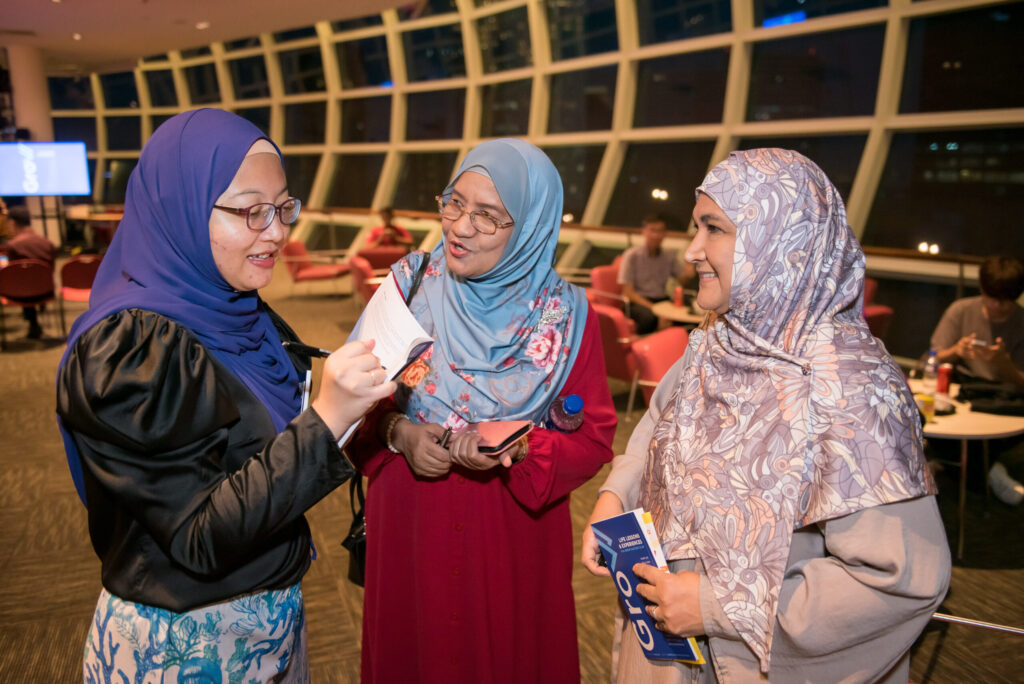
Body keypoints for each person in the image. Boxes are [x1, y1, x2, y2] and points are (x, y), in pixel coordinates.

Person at [583, 148, 950, 683]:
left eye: (714, 228)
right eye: (695, 227)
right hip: (667, 640)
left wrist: (714, 607)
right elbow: (656, 431)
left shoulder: (850, 386)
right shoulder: (717, 340)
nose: (692, 250)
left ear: (781, 241)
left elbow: (897, 582)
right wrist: (616, 497)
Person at [55, 108, 395, 682]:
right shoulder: (133, 348)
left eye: (283, 208)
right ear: (181, 210)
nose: (277, 232)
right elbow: (197, 537)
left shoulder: (236, 310)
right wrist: (328, 418)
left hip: (267, 620)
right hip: (185, 645)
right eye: (250, 211)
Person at [346, 138, 617, 683]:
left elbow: (592, 439)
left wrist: (520, 445)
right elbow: (346, 400)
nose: (460, 227)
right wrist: (399, 433)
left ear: (531, 228)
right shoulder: (409, 286)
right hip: (410, 519)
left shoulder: (565, 316)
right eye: (455, 203)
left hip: (511, 531)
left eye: (488, 216)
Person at [928, 255, 1024, 504]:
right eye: (992, 297)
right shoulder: (961, 310)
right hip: (962, 392)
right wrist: (956, 351)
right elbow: (931, 359)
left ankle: (955, 467)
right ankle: (987, 471)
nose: (997, 306)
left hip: (1004, 399)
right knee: (928, 419)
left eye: (1006, 300)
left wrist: (1004, 366)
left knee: (989, 434)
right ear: (982, 288)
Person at [618, 214, 694, 334]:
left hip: (661, 299)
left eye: (660, 231)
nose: (656, 235)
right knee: (649, 317)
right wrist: (655, 309)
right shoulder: (632, 255)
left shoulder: (669, 255)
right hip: (638, 301)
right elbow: (628, 293)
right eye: (652, 230)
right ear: (644, 231)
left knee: (689, 311)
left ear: (665, 234)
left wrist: (689, 272)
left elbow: (682, 282)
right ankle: (643, 344)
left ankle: (680, 343)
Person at [5, 204, 57, 338]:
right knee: (29, 280)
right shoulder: (47, 243)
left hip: (19, 294)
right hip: (47, 290)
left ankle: (32, 322)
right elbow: (51, 269)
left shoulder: (12, 245)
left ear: (12, 223)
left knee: (22, 281)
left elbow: (13, 274)